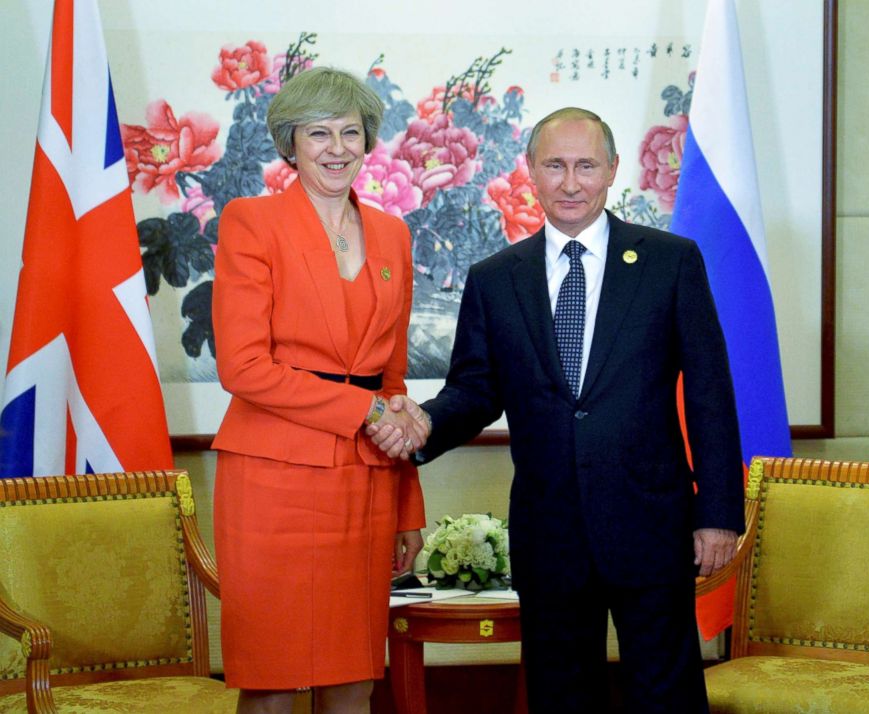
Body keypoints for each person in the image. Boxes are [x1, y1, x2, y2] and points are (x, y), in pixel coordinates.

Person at [369, 107, 745, 713]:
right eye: (555, 166)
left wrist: (719, 513)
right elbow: (475, 389)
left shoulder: (670, 263)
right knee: (560, 696)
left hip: (651, 525)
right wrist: (427, 422)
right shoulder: (495, 279)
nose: (571, 183)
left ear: (613, 171)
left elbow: (710, 395)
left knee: (666, 693)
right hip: (550, 533)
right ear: (532, 174)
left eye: (586, 166)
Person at [211, 66, 428, 714]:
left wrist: (408, 505)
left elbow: (389, 382)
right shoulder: (252, 222)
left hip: (364, 488)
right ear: (290, 143)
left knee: (354, 681)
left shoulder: (392, 233)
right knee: (275, 682)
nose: (337, 148)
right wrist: (362, 408)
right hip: (272, 486)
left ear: (368, 142)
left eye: (351, 133)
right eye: (318, 133)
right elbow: (243, 368)